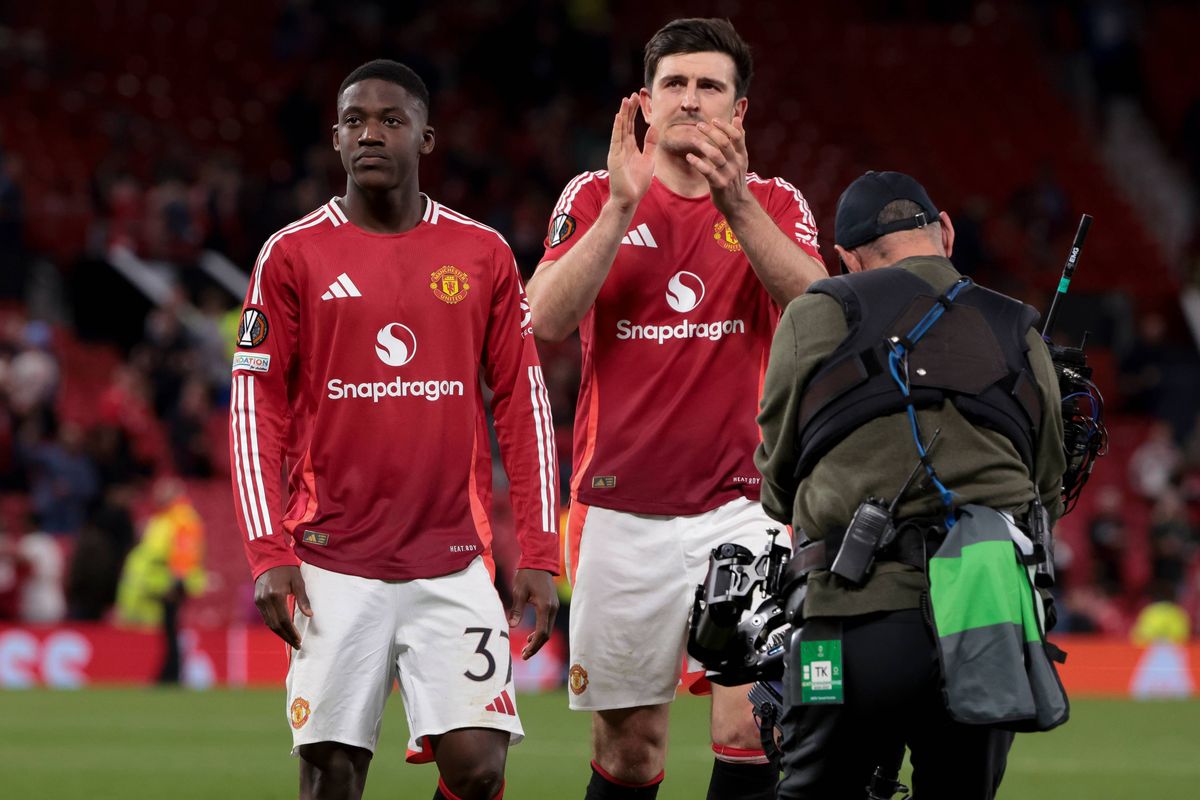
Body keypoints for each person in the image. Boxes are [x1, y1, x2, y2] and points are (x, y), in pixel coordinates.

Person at [229, 60, 561, 800]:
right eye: (354, 121)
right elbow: (256, 407)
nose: (370, 133)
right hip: (332, 561)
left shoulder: (482, 254)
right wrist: (266, 551)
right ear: (337, 140)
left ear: (426, 137)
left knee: (478, 769)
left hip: (451, 558)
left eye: (389, 120)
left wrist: (538, 548)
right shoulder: (292, 255)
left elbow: (523, 402)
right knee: (333, 776)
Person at [526, 18, 827, 800]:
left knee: (753, 726)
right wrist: (621, 210)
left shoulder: (774, 201)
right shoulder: (594, 194)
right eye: (676, 85)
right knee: (630, 750)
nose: (691, 101)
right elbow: (543, 321)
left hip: (745, 508)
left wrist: (737, 206)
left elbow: (823, 315)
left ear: (740, 113)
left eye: (710, 87)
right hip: (620, 511)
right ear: (645, 104)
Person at [755, 171, 1068, 799]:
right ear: (945, 230)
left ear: (845, 257)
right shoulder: (1019, 328)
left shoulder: (816, 312)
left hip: (853, 613)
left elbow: (778, 482)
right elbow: (1048, 489)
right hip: (986, 619)